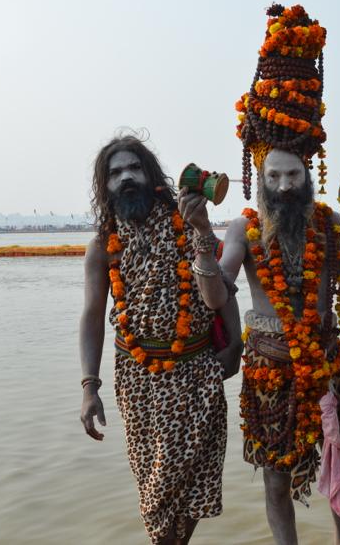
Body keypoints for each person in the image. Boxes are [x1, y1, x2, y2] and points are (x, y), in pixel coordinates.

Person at [218, 3, 340, 545]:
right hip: (268, 371)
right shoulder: (242, 232)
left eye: (295, 175)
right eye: (276, 176)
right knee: (274, 477)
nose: (286, 185)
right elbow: (218, 289)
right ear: (261, 177)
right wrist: (199, 250)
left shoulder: (329, 224)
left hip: (325, 365)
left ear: (308, 175)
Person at [78, 134, 242, 544]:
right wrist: (88, 386)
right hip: (135, 382)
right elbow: (92, 316)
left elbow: (219, 296)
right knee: (155, 496)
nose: (126, 177)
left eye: (134, 168)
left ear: (151, 175)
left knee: (185, 495)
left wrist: (235, 345)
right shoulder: (102, 246)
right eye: (116, 173)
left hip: (194, 377)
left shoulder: (186, 226)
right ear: (106, 185)